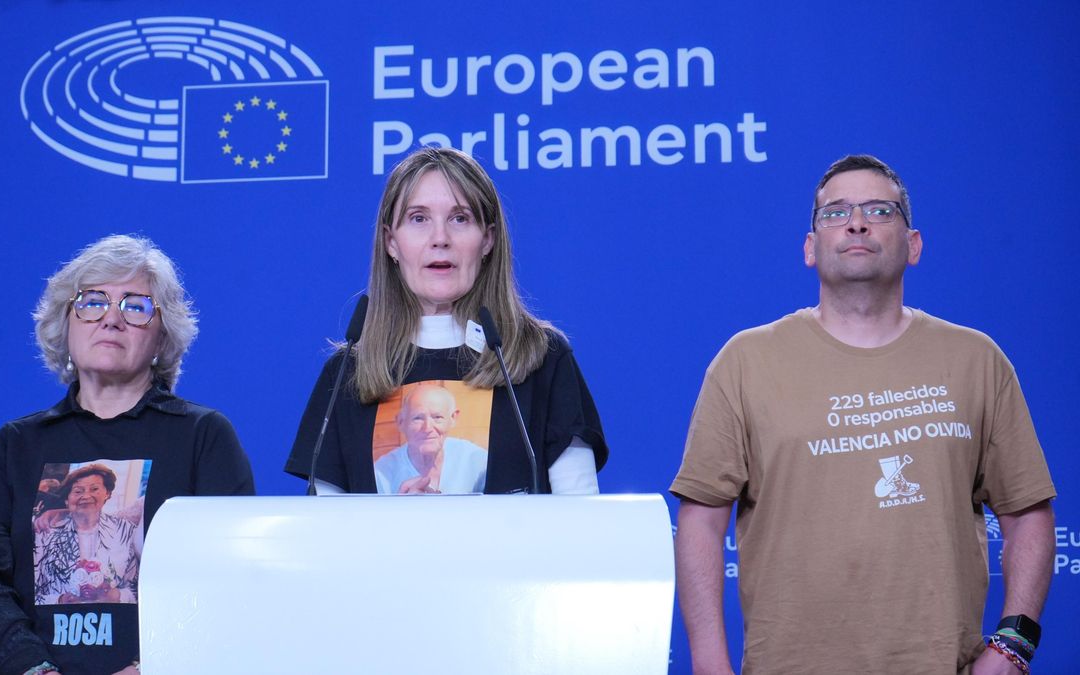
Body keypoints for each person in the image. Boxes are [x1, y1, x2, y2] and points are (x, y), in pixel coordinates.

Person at [670, 155, 1056, 674]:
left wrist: (1013, 647)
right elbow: (701, 524)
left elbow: (1028, 514)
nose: (856, 222)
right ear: (810, 248)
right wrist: (710, 665)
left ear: (913, 244)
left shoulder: (976, 360)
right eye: (834, 213)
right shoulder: (745, 361)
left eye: (879, 210)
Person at [0, 235, 255, 675]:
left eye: (135, 306)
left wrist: (151, 667)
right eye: (93, 302)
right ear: (66, 323)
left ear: (161, 337)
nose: (111, 319)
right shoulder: (16, 444)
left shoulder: (202, 436)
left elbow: (228, 578)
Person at [287, 146, 607, 494]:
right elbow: (324, 533)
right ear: (391, 242)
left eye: (460, 218)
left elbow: (580, 517)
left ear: (488, 239)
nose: (440, 239)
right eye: (419, 218)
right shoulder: (347, 373)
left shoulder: (541, 358)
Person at [33, 464, 142, 605]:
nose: (86, 496)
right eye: (78, 491)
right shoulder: (45, 532)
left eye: (94, 489)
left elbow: (137, 589)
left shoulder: (126, 531)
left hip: (112, 618)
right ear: (67, 499)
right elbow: (31, 591)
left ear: (107, 493)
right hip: (60, 620)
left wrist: (117, 596)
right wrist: (59, 600)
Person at [375, 384, 488, 494]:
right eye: (417, 418)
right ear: (401, 422)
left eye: (437, 417)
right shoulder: (381, 473)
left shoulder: (478, 461)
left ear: (453, 418)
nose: (427, 428)